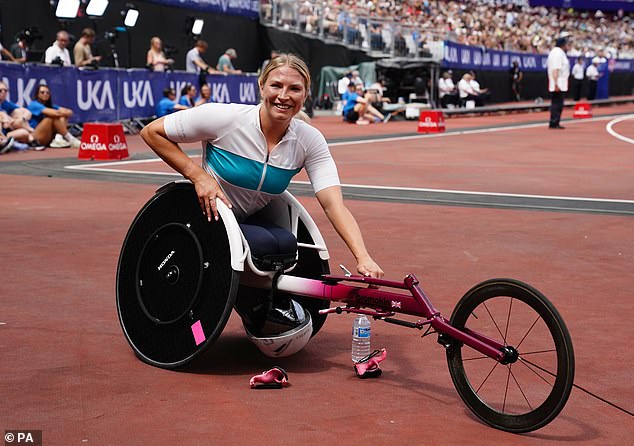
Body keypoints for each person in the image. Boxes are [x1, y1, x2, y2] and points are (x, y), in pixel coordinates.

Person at [140, 54, 383, 357]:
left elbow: (334, 205)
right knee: (262, 243)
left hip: (251, 218)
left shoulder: (309, 140)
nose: (284, 96)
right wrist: (198, 176)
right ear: (261, 86)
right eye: (276, 85)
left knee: (282, 242)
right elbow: (152, 132)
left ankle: (257, 304)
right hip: (208, 219)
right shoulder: (225, 118)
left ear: (306, 94)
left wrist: (362, 257)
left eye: (294, 89)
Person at [27, 84, 81, 148]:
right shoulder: (34, 105)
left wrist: (63, 113)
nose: (45, 94)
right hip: (35, 137)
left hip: (48, 136)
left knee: (62, 117)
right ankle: (71, 139)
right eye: (42, 92)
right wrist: (61, 113)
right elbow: (56, 113)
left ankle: (58, 138)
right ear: (37, 95)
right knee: (51, 117)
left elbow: (69, 112)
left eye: (47, 93)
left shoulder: (50, 106)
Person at [0, 81, 43, 151]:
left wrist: (22, 119)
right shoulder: (34, 104)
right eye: (0, 90)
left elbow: (27, 112)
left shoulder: (5, 103)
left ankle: (9, 142)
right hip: (2, 133)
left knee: (18, 114)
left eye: (5, 90)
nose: (3, 92)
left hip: (7, 133)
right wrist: (7, 119)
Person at [547, 36, 570, 129]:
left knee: (558, 103)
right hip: (558, 83)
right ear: (563, 45)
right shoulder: (557, 53)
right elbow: (555, 69)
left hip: (561, 83)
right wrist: (556, 83)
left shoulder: (559, 52)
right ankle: (554, 122)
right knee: (557, 103)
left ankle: (556, 121)